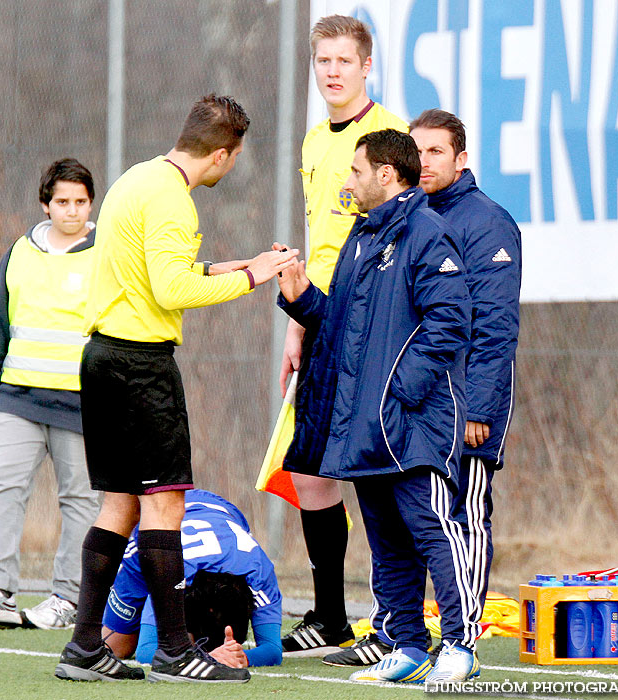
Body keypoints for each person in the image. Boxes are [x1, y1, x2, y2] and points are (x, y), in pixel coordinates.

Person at [53, 94, 298, 684]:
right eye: (233, 157)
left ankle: (84, 647)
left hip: (102, 358)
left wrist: (234, 263)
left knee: (120, 504)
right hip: (140, 366)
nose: (230, 167)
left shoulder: (137, 179)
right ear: (221, 152)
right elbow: (170, 291)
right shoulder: (174, 201)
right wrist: (251, 278)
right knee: (166, 502)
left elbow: (159, 272)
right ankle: (176, 651)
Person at [275, 129, 480, 685]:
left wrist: (398, 392)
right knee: (387, 540)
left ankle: (461, 645)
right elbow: (341, 327)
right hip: (363, 428)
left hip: (412, 424)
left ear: (387, 174)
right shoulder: (361, 238)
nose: (347, 182)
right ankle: (410, 643)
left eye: (356, 171)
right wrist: (300, 299)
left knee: (434, 531)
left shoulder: (427, 233)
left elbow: (449, 323)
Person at [278, 13, 407, 658]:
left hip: (366, 325)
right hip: (322, 320)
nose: (332, 72)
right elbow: (319, 242)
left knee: (374, 473)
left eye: (344, 62)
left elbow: (398, 236)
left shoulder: (386, 137)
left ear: (367, 66)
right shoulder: (310, 140)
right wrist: (299, 324)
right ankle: (331, 616)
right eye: (323, 61)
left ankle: (394, 622)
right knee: (309, 473)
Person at [0, 159, 100, 632]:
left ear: (91, 204)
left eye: (80, 202)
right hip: (18, 399)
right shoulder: (19, 252)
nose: (71, 211)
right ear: (45, 205)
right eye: (62, 202)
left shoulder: (108, 253)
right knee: (5, 489)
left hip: (82, 406)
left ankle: (68, 599)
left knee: (80, 501)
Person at [410, 108, 521, 630]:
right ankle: (405, 633)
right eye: (417, 151)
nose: (424, 161)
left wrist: (478, 408)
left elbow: (495, 328)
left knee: (465, 517)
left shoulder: (487, 221)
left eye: (436, 151)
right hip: (418, 402)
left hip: (467, 406)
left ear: (461, 158)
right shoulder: (407, 216)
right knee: (415, 518)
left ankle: (464, 632)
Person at [101, 489, 282, 668]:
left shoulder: (259, 572)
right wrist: (204, 656)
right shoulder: (169, 571)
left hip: (218, 508)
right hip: (156, 516)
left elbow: (273, 650)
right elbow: (146, 650)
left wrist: (241, 657)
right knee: (116, 647)